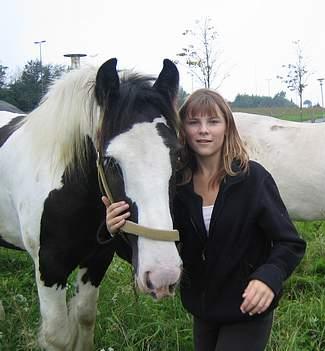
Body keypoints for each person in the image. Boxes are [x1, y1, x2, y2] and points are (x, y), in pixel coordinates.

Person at [103, 88, 306, 351]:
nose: (203, 130)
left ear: (226, 128)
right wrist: (116, 230)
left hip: (248, 309)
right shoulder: (178, 188)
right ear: (182, 130)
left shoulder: (253, 180)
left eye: (213, 121)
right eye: (193, 122)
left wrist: (269, 277)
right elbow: (161, 247)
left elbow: (290, 243)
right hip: (203, 311)